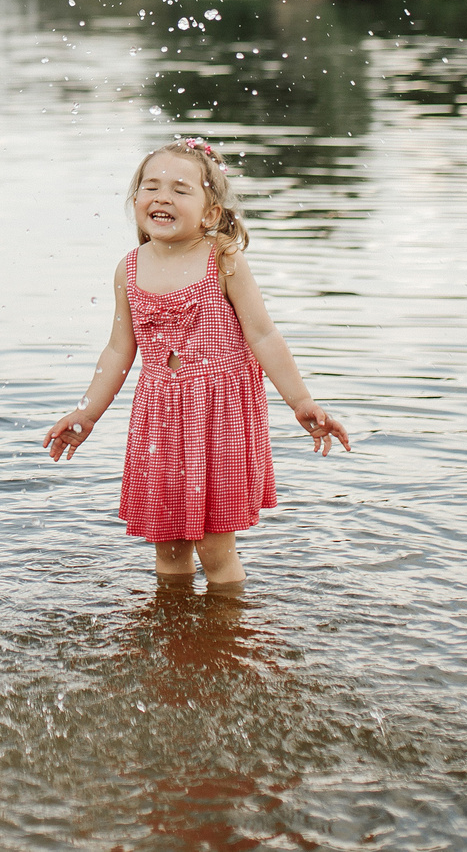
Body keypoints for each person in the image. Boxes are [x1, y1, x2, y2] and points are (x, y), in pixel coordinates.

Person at [42, 138, 353, 587]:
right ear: (135, 202)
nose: (162, 196)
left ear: (210, 212)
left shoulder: (222, 258)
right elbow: (117, 350)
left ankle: (224, 636)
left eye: (180, 189)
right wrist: (87, 412)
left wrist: (301, 401)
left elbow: (263, 334)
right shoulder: (128, 268)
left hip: (218, 417)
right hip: (161, 419)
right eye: (150, 187)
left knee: (213, 547)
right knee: (167, 546)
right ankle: (175, 639)